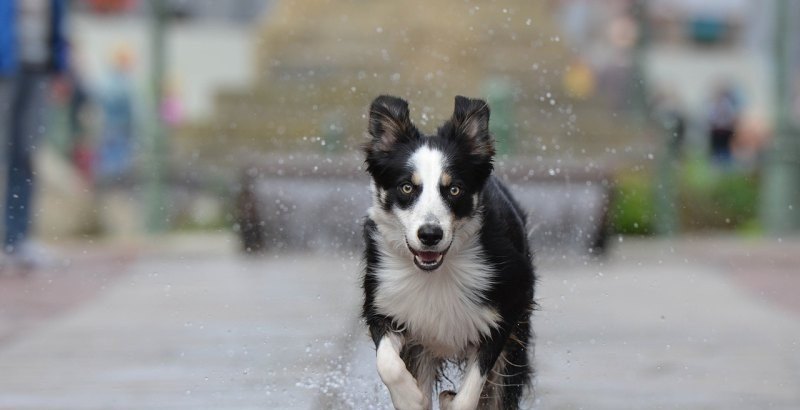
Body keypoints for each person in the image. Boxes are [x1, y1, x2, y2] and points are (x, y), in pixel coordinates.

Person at [0, 0, 69, 269]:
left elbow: (58, 24)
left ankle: (17, 240)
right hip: (4, 70)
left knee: (26, 154)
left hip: (38, 69)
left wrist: (61, 67)